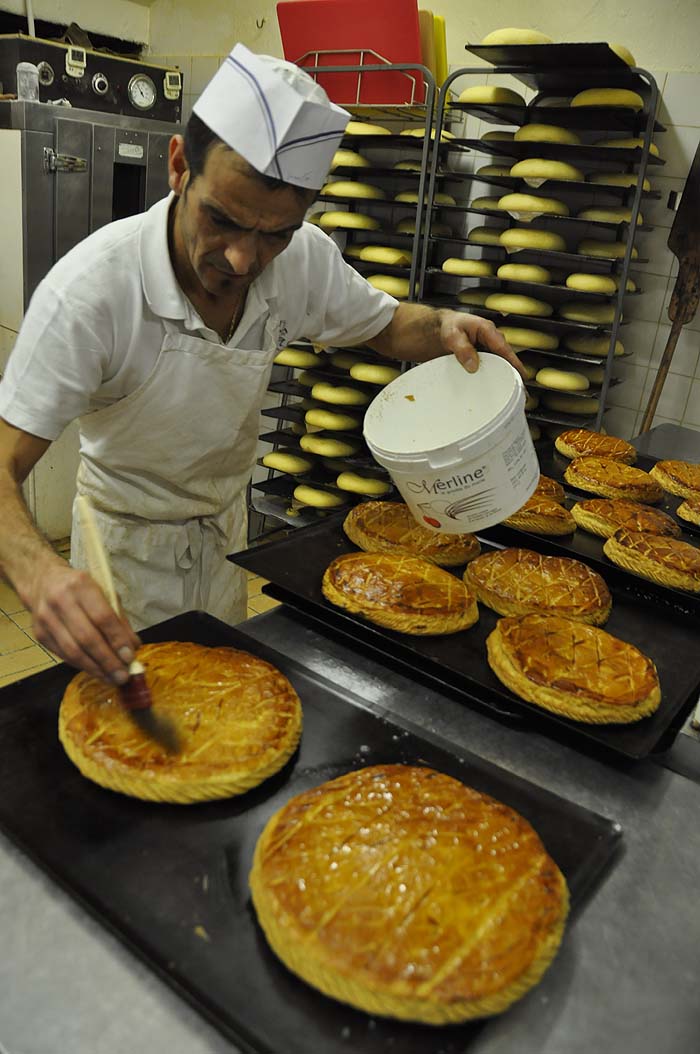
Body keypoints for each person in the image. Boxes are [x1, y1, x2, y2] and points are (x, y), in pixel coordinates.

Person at [0, 43, 523, 689]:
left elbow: (387, 326)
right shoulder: (91, 293)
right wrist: (39, 572)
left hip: (224, 542)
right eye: (221, 219)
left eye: (275, 232)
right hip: (121, 563)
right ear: (178, 166)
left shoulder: (303, 261)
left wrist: (441, 325)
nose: (243, 260)